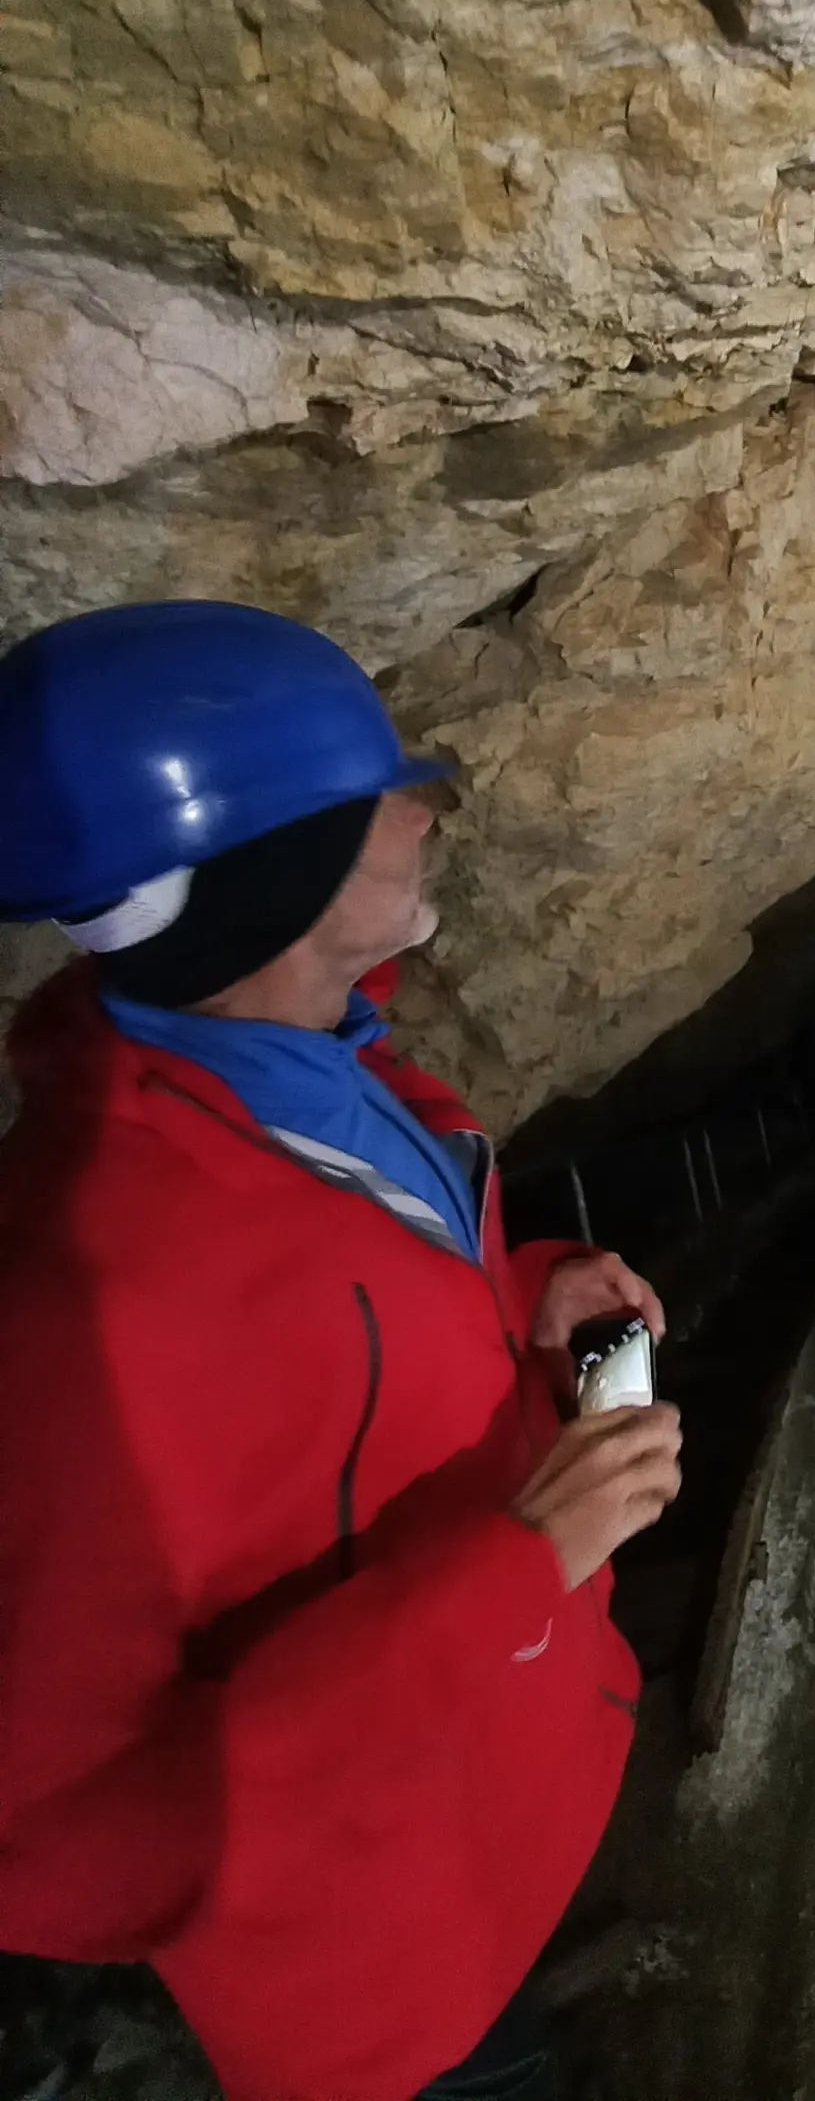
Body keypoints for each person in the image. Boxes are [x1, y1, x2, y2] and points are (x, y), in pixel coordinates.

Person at [0, 601, 684, 2101]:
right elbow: (51, 1841)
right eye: (380, 797)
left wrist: (530, 1293)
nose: (426, 812)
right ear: (277, 875)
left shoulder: (309, 1057)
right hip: (401, 1982)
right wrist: (516, 1563)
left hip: (528, 1763)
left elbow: (331, 1336)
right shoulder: (89, 1317)